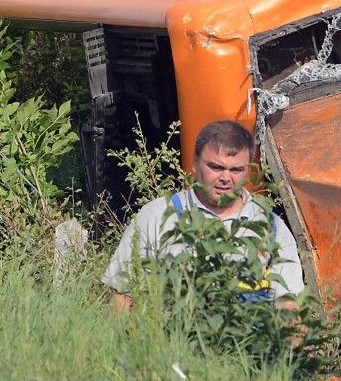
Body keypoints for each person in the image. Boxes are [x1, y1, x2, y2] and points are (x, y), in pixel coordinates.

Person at [102, 119, 304, 310]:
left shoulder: (269, 226)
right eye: (216, 167)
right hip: (170, 342)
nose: (226, 178)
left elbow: (288, 306)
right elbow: (121, 295)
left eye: (236, 170)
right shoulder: (158, 215)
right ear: (194, 163)